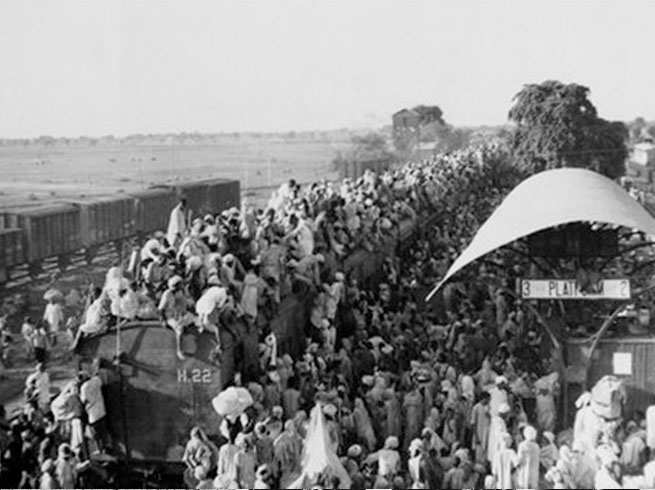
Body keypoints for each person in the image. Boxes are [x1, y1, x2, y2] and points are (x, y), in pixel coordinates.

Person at [158, 275, 194, 360]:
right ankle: (179, 350)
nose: (182, 285)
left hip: (180, 314)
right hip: (170, 316)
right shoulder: (167, 294)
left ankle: (186, 329)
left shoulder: (181, 292)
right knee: (179, 329)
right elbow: (160, 309)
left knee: (193, 319)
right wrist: (163, 321)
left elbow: (185, 302)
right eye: (180, 284)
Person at [79, 371, 108, 454]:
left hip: (93, 414)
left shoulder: (84, 387)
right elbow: (101, 381)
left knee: (96, 434)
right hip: (101, 409)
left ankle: (100, 449)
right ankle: (105, 447)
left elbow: (83, 400)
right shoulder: (96, 380)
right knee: (103, 431)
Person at [515, 425, 540, 489]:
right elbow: (537, 461)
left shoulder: (522, 445)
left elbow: (519, 459)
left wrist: (516, 466)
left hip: (524, 470)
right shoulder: (536, 446)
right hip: (533, 472)